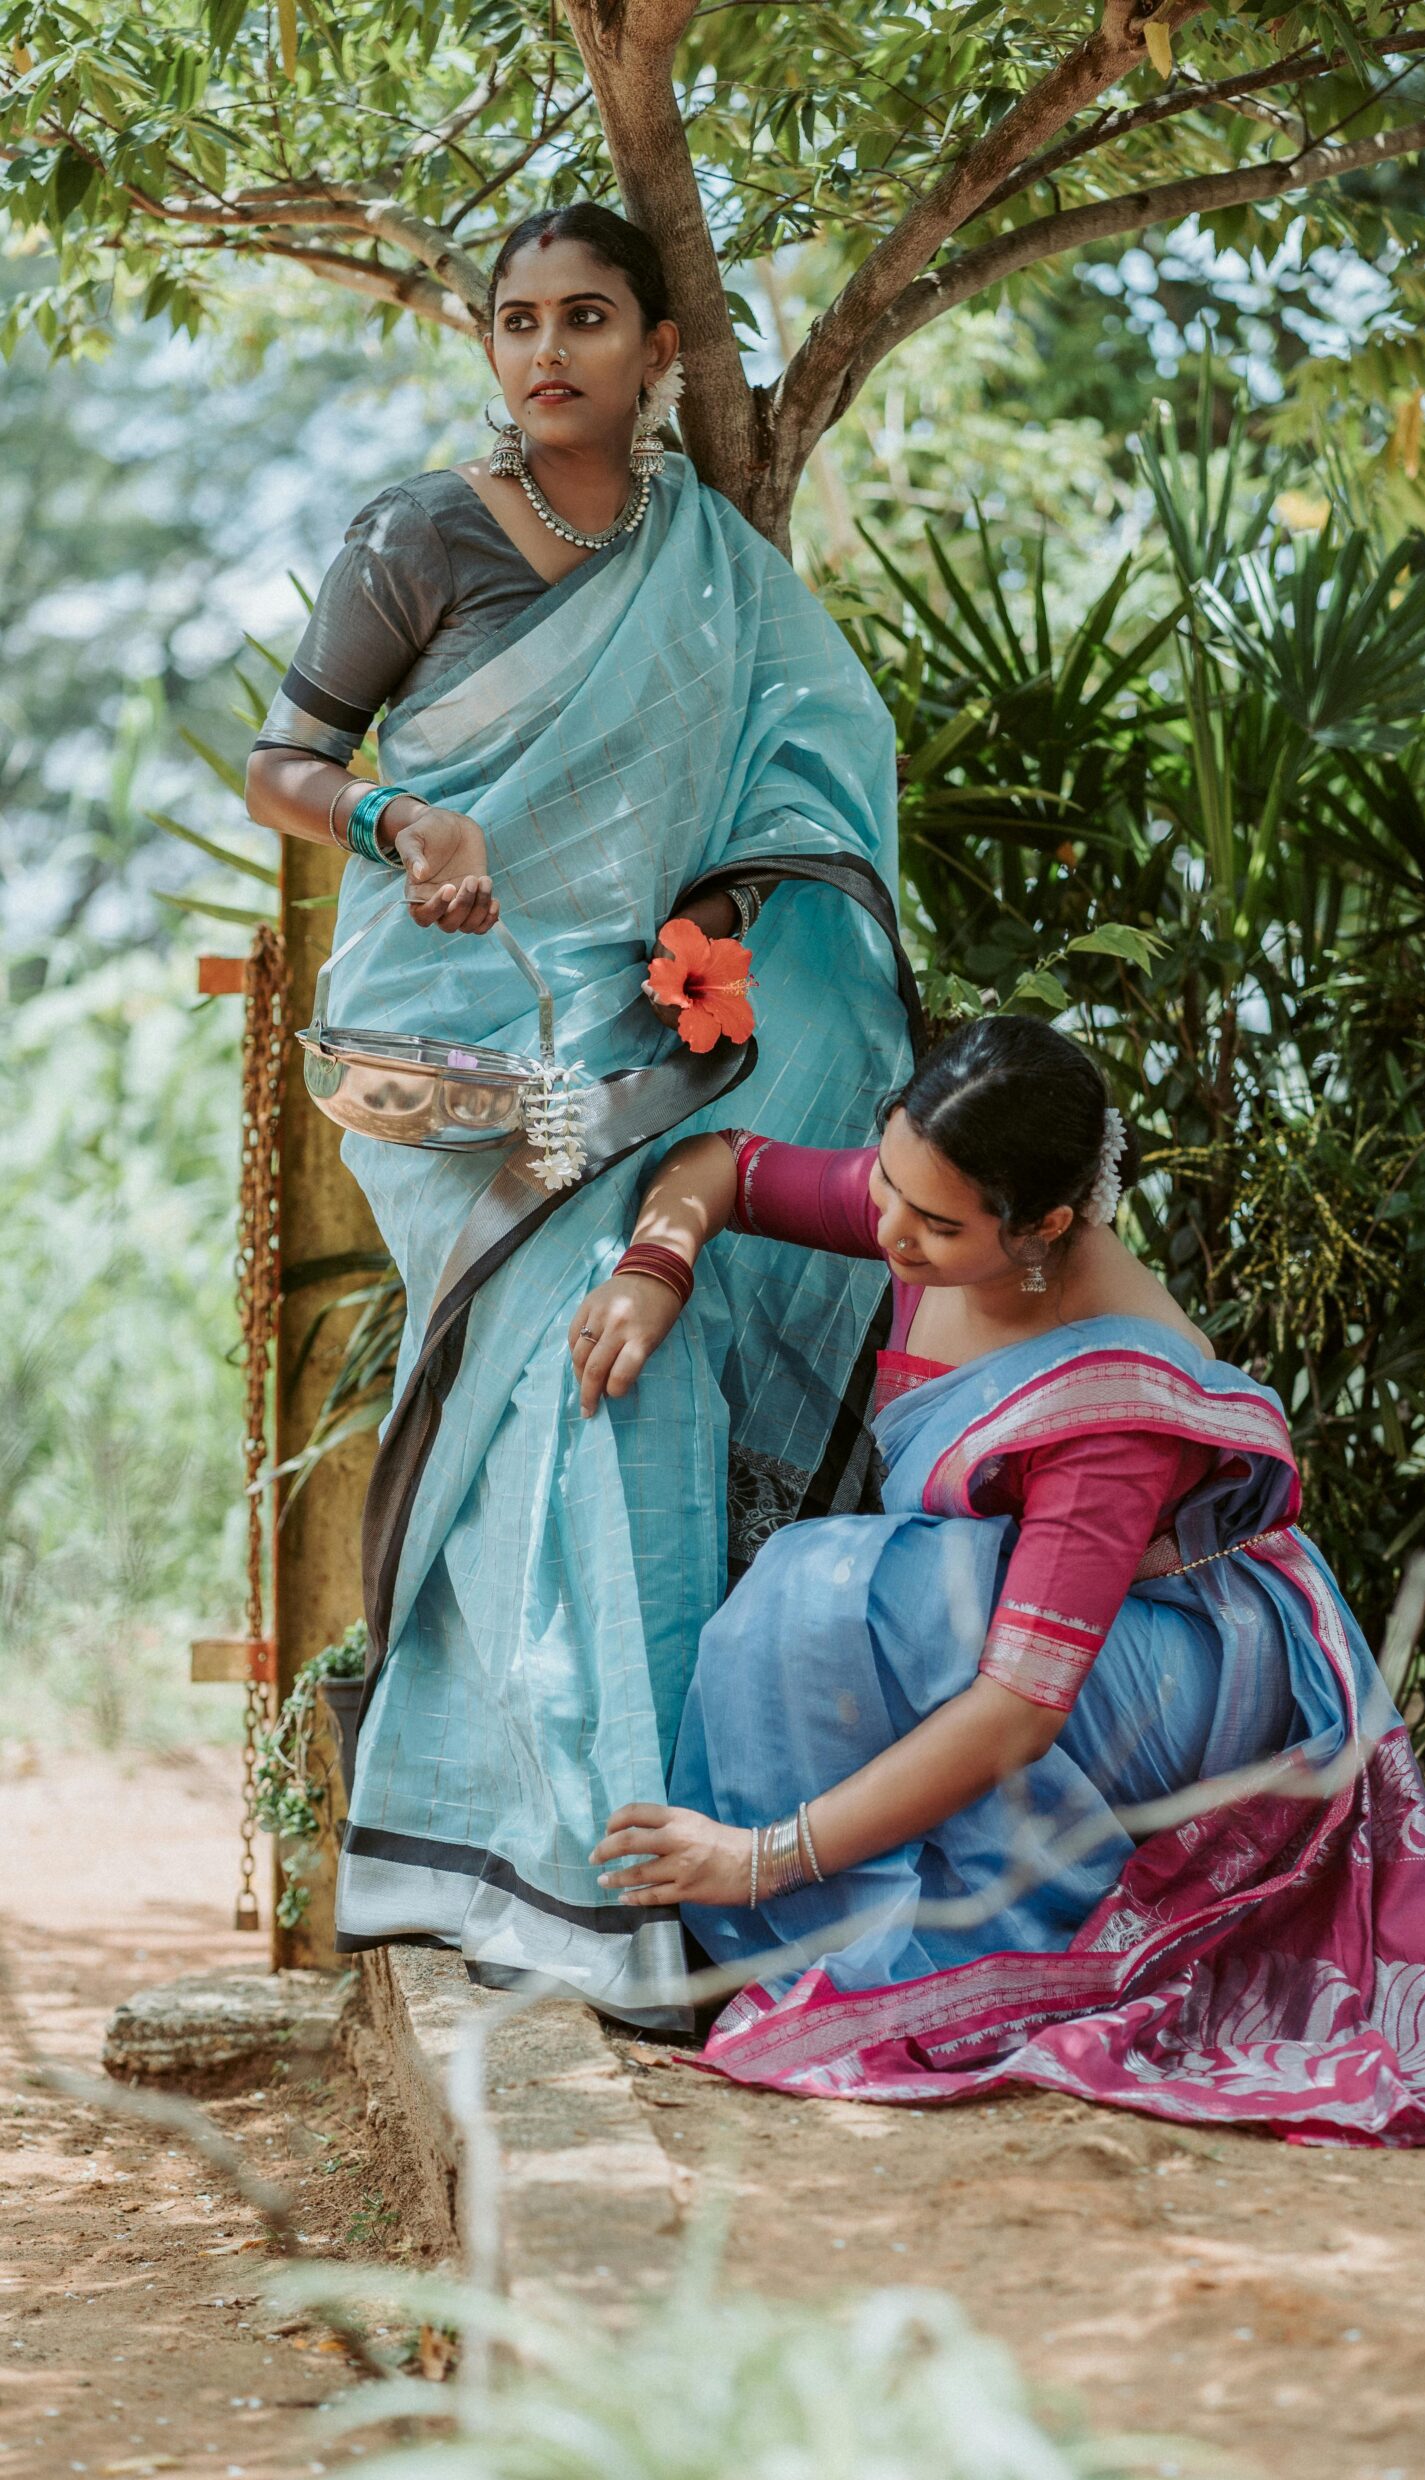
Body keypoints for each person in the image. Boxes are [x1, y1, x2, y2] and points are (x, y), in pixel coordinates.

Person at [572, 1016, 1425, 2144]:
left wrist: (758, 1858)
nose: (888, 1226)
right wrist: (657, 1268)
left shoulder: (1115, 1389)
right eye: (887, 1181)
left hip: (1189, 1680)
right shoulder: (936, 1202)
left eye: (934, 1221)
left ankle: (953, 1917)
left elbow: (1015, 1713)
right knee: (850, 1585)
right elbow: (718, 1167)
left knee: (837, 1585)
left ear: (1048, 1223)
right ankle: (846, 1899)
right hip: (1045, 1632)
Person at [245, 204, 914, 2025]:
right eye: (518, 321)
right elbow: (281, 762)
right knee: (563, 1377)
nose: (546, 352)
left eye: (588, 319)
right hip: (450, 1050)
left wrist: (734, 908)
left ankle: (583, 1874)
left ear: (654, 351)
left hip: (642, 1036)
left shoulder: (711, 558)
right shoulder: (420, 536)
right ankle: (579, 1887)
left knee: (636, 1382)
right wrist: (397, 820)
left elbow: (815, 766)